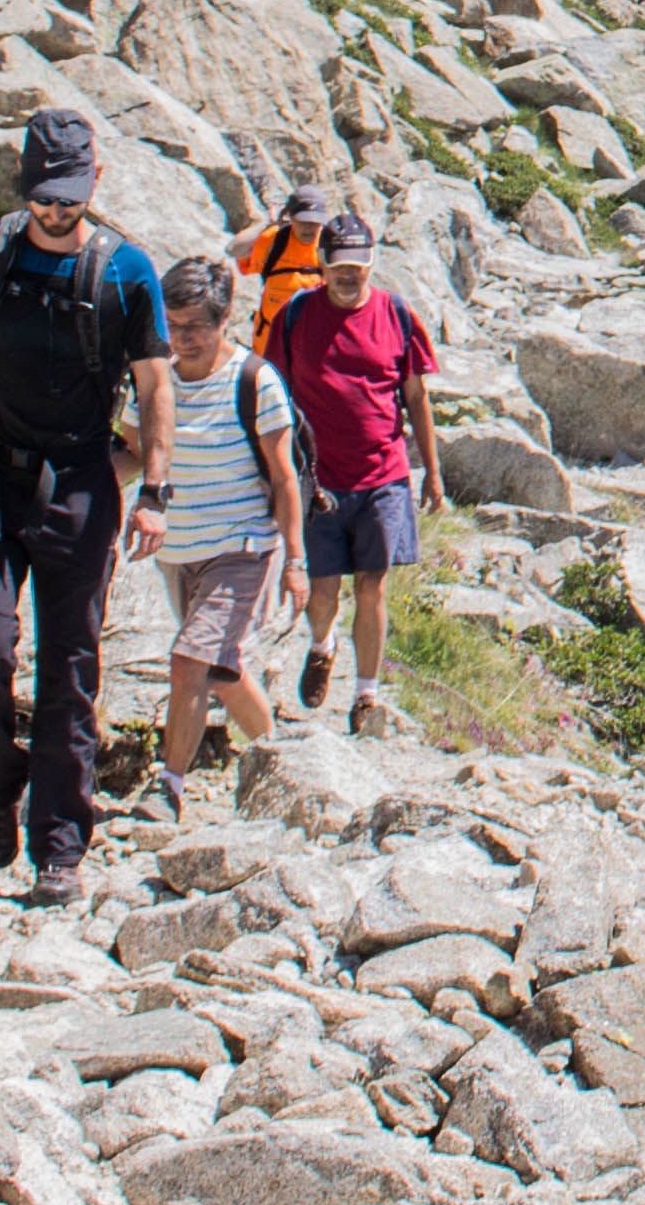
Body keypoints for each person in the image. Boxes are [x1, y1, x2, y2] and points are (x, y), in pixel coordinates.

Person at [0, 110, 172, 903]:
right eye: (42, 196)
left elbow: (156, 388)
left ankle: (59, 846)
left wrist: (153, 489)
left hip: (82, 482)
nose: (56, 210)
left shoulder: (126, 273)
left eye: (69, 195)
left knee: (70, 667)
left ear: (95, 180)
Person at [144, 250, 305, 820]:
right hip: (180, 551)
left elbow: (284, 477)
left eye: (195, 327)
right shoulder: (154, 374)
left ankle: (168, 788)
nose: (181, 338)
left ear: (224, 319)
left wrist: (295, 562)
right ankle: (282, 761)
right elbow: (133, 452)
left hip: (243, 547)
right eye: (172, 325)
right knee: (221, 668)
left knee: (190, 660)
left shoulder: (255, 381)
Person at [268, 205, 438, 733]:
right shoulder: (295, 316)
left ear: (371, 264)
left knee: (373, 585)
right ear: (321, 262)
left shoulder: (396, 314)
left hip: (384, 475)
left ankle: (366, 695)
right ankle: (323, 644)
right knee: (322, 593)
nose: (347, 275)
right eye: (338, 265)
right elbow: (272, 393)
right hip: (317, 481)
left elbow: (416, 394)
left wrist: (431, 470)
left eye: (357, 266)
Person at [228, 186, 334, 348]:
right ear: (290, 216)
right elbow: (233, 249)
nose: (309, 228)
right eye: (303, 221)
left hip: (309, 346)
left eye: (315, 222)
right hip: (269, 346)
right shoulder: (275, 240)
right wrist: (269, 224)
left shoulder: (328, 246)